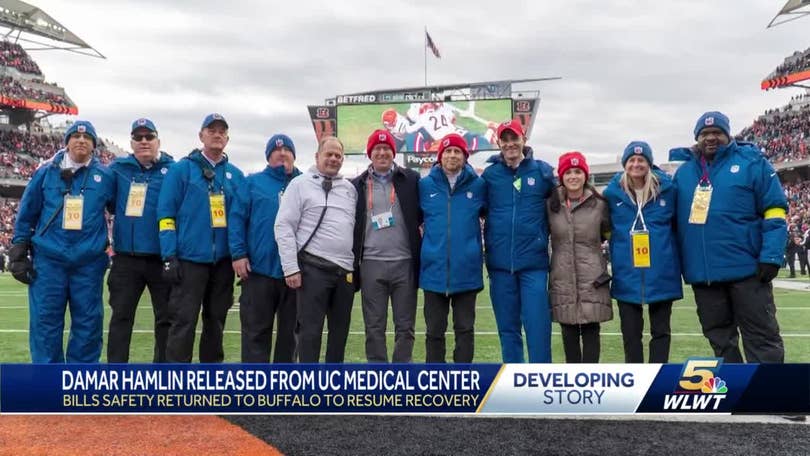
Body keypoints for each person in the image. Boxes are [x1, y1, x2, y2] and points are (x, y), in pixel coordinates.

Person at [669, 111, 787, 363]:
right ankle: (736, 395)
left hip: (748, 272)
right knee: (721, 342)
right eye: (704, 134)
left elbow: (775, 211)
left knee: (762, 338)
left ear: (728, 135)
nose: (711, 138)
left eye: (717, 133)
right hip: (705, 276)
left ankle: (769, 398)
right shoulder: (684, 174)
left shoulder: (753, 163)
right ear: (697, 138)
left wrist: (772, 256)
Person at [9, 120, 115, 363]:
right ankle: (48, 386)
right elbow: (27, 212)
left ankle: (80, 387)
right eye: (75, 137)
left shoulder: (105, 176)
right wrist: (18, 249)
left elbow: (121, 211)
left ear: (94, 146)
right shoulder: (45, 172)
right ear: (66, 142)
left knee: (88, 325)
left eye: (87, 138)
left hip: (88, 263)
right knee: (45, 324)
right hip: (49, 261)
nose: (81, 141)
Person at [157, 113, 246, 363]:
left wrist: (241, 254)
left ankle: (211, 380)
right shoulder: (181, 170)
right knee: (183, 323)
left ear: (227, 138)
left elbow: (240, 220)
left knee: (216, 323)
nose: (217, 134)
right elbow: (165, 215)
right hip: (189, 261)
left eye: (222, 131)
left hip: (223, 264)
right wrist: (169, 255)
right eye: (211, 130)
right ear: (201, 136)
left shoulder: (235, 175)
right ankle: (177, 382)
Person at [275, 136, 357, 363]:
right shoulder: (300, 184)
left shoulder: (349, 189)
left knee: (339, 335)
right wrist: (290, 268)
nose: (333, 159)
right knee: (310, 334)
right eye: (328, 154)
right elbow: (283, 225)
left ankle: (333, 388)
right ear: (317, 156)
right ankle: (310, 390)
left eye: (338, 155)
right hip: (313, 269)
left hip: (344, 273)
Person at [481, 119, 556, 363]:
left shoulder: (542, 172)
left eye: (515, 138)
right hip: (500, 266)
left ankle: (541, 382)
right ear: (499, 142)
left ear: (524, 140)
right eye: (506, 139)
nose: (511, 144)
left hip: (533, 264)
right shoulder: (490, 176)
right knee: (508, 329)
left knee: (538, 328)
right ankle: (514, 383)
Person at [603, 141, 682, 363]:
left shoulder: (668, 189)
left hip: (661, 272)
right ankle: (636, 380)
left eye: (641, 160)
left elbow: (678, 227)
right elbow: (604, 227)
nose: (636, 164)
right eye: (632, 160)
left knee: (661, 332)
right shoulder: (612, 193)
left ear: (649, 163)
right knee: (631, 335)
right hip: (627, 273)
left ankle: (658, 377)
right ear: (625, 164)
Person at [107, 118, 175, 363]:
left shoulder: (173, 170)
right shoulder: (118, 169)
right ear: (131, 142)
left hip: (161, 259)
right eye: (138, 137)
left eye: (149, 137)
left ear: (159, 141)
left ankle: (163, 378)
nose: (144, 141)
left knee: (166, 319)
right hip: (126, 259)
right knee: (121, 318)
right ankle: (116, 377)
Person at [229, 134, 301, 363]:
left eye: (287, 150)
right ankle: (255, 391)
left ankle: (283, 391)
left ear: (294, 155)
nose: (281, 154)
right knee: (254, 336)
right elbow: (237, 219)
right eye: (275, 151)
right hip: (258, 272)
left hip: (295, 273)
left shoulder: (305, 183)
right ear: (268, 156)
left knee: (290, 338)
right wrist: (238, 253)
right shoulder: (252, 183)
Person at [351, 129, 421, 363]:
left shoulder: (411, 179)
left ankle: (402, 375)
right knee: (374, 327)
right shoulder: (357, 184)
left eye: (387, 148)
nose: (382, 152)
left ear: (394, 152)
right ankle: (378, 377)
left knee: (405, 327)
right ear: (370, 154)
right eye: (377, 149)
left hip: (405, 262)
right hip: (371, 264)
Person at [418, 133, 486, 363]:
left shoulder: (479, 185)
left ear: (465, 156)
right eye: (448, 151)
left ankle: (462, 382)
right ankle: (435, 383)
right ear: (440, 156)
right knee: (434, 332)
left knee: (465, 330)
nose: (452, 155)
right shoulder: (425, 185)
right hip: (433, 271)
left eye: (457, 151)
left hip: (466, 271)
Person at [546, 151, 611, 363]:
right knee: (569, 332)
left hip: (593, 277)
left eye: (578, 172)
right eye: (568, 172)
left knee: (592, 330)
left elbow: (608, 235)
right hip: (562, 276)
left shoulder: (600, 205)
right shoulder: (550, 205)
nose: (573, 176)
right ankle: (574, 381)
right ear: (561, 176)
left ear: (585, 175)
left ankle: (591, 382)